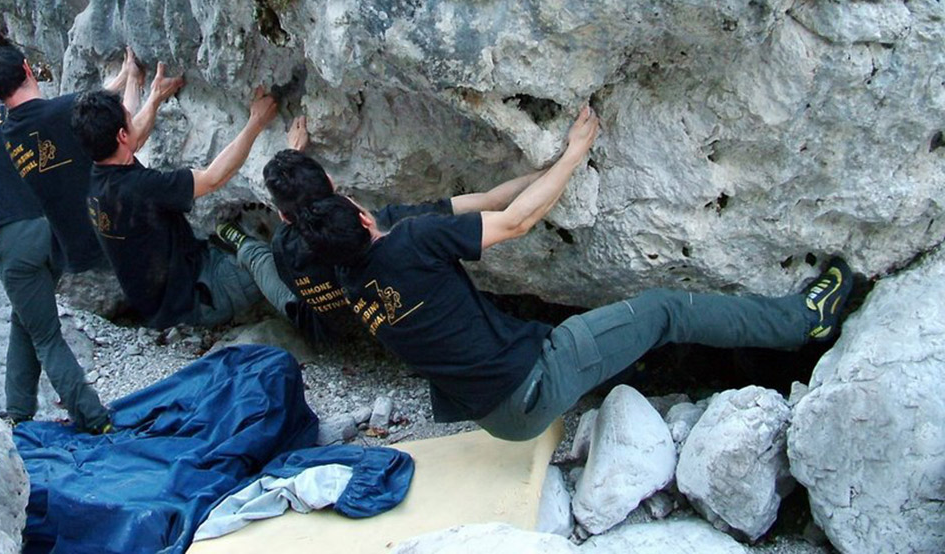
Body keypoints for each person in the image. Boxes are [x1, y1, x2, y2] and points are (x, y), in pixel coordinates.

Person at [292, 105, 857, 441]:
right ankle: (801, 321)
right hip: (530, 385)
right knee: (662, 309)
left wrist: (542, 170)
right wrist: (573, 155)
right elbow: (514, 223)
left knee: (601, 329)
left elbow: (489, 201)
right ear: (366, 216)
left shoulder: (348, 279)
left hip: (492, 414)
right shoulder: (409, 240)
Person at [0, 74, 110, 432]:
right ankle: (19, 409)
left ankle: (95, 419)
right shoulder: (24, 111)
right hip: (57, 231)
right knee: (26, 315)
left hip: (15, 240)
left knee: (46, 335)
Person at [260, 129, 544, 344]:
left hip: (322, 323)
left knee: (253, 256)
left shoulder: (282, 246)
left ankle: (234, 239)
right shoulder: (381, 225)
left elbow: (299, 214)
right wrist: (542, 174)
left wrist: (292, 164)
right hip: (371, 317)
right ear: (332, 183)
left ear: (284, 217)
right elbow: (489, 201)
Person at [69, 86, 298, 330]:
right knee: (264, 254)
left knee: (231, 236)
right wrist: (257, 122)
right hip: (200, 299)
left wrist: (154, 95)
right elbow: (213, 178)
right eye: (129, 119)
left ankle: (233, 239)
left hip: (162, 305)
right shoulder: (140, 188)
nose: (134, 121)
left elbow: (133, 138)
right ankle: (300, 314)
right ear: (122, 136)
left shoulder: (97, 174)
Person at [0, 45, 178, 275]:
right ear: (27, 68)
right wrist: (155, 97)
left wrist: (128, 78)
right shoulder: (60, 113)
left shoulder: (11, 133)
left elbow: (101, 118)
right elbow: (128, 136)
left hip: (85, 250)